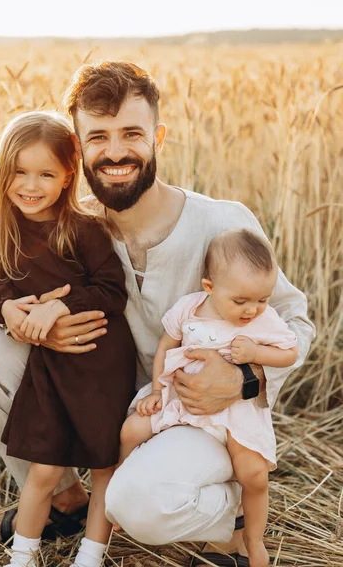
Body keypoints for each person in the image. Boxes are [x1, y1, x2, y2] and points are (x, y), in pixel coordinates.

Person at [0, 62, 315, 567]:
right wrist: (14, 315)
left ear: (158, 137)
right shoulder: (71, 224)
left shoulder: (221, 222)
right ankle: (65, 500)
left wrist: (244, 380)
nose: (116, 151)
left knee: (136, 503)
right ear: (79, 150)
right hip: (110, 398)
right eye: (99, 137)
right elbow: (4, 281)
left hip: (193, 413)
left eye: (132, 133)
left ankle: (229, 517)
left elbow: (295, 321)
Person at [0, 111, 136, 567]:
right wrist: (6, 309)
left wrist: (59, 306)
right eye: (19, 172)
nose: (31, 185)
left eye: (46, 173)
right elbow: (0, 286)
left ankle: (89, 557)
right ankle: (22, 558)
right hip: (48, 367)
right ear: (2, 172)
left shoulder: (83, 228)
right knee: (45, 468)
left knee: (104, 465)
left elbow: (112, 290)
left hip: (99, 361)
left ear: (69, 175)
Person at [119, 228, 298, 567]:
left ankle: (253, 538)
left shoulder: (264, 321)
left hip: (234, 411)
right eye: (241, 301)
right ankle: (117, 493)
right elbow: (165, 347)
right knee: (131, 431)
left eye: (262, 299)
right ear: (209, 288)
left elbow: (289, 353)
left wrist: (257, 351)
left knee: (253, 474)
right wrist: (157, 390)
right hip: (180, 400)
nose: (252, 310)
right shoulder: (190, 308)